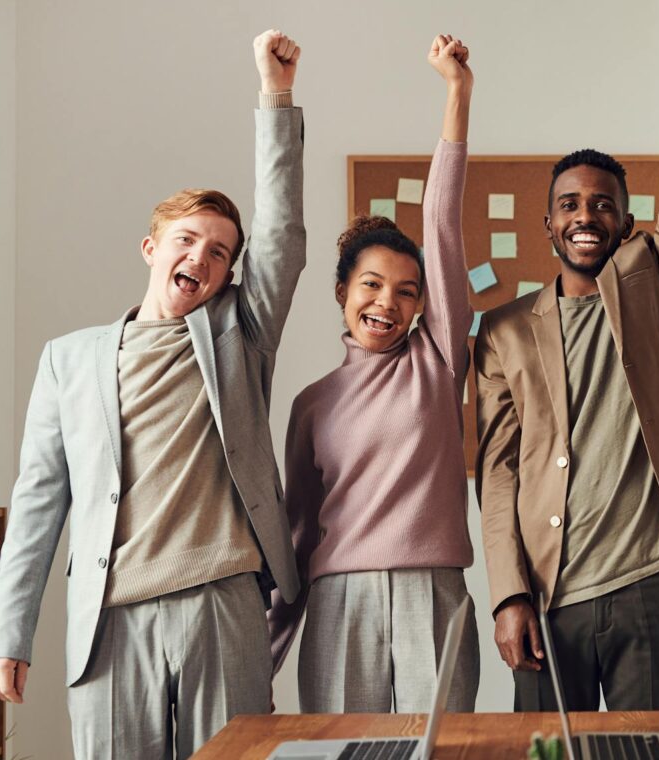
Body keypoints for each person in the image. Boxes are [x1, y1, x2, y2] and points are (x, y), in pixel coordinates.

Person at [0, 30, 306, 758]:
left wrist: (275, 94)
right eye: (189, 239)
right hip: (110, 620)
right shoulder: (68, 360)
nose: (202, 256)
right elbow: (38, 502)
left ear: (229, 275)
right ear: (151, 247)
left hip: (222, 604)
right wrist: (6, 633)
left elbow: (282, 234)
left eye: (221, 251)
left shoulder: (239, 340)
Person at [473, 0, 659, 712]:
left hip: (652, 583)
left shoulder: (655, 280)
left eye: (601, 205)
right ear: (549, 225)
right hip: (546, 591)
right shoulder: (503, 330)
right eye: (569, 205)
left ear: (625, 221)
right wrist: (506, 594)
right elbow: (497, 474)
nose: (585, 216)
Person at [266, 34, 480, 714]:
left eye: (407, 291)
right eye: (371, 285)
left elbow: (441, 224)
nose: (387, 303)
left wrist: (456, 94)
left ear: (424, 304)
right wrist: (264, 656)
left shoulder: (439, 363)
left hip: (434, 594)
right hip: (338, 603)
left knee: (441, 754)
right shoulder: (311, 405)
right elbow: (298, 534)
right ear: (341, 291)